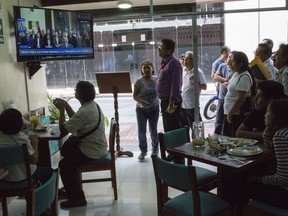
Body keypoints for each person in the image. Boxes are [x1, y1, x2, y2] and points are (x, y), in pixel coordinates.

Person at [53, 81, 108, 208]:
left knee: (64, 164)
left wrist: (61, 110)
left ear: (80, 94)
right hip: (98, 146)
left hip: (92, 150)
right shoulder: (92, 105)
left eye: (76, 90)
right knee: (67, 157)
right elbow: (76, 119)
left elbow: (63, 130)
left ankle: (77, 198)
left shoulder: (86, 110)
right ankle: (71, 190)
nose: (74, 92)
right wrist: (66, 106)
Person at [247, 98, 288, 209]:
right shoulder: (284, 132)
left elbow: (283, 179)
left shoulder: (280, 136)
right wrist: (268, 129)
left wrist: (259, 179)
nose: (265, 115)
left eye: (268, 112)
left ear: (276, 116)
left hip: (285, 195)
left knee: (244, 184)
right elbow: (269, 146)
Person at [0, 108, 52, 185]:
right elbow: (34, 160)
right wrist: (35, 142)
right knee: (49, 171)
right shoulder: (22, 138)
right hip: (27, 176)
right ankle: (37, 193)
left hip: (5, 178)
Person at [133, 61, 159, 160]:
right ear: (142, 70)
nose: (147, 69)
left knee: (153, 130)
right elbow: (135, 95)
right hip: (141, 110)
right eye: (144, 68)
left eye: (149, 67)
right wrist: (141, 101)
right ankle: (143, 151)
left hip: (154, 108)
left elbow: (161, 90)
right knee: (141, 131)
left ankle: (155, 149)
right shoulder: (138, 82)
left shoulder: (157, 80)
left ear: (152, 69)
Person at [223, 51, 253, 137]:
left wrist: (231, 113)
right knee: (227, 137)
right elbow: (229, 86)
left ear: (240, 64)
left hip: (236, 114)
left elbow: (241, 99)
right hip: (230, 112)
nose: (230, 64)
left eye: (232, 62)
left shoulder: (244, 77)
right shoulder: (236, 74)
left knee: (233, 137)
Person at [156, 38, 182, 132]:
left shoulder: (174, 63)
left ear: (169, 51)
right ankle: (170, 147)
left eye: (161, 47)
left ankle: (174, 147)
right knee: (168, 129)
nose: (158, 49)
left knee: (173, 130)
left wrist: (172, 103)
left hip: (170, 102)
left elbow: (176, 84)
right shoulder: (164, 62)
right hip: (165, 101)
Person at [181, 51, 207, 138]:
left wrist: (195, 83)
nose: (185, 60)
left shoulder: (197, 72)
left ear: (193, 60)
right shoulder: (184, 71)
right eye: (185, 58)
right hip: (183, 106)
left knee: (196, 130)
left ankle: (197, 146)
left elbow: (204, 86)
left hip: (192, 106)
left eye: (188, 58)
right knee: (184, 129)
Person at [213, 51, 234, 135]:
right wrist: (224, 80)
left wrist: (223, 82)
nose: (229, 58)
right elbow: (215, 77)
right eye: (229, 57)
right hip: (221, 98)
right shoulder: (222, 66)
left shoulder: (235, 70)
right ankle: (216, 136)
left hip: (230, 100)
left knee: (228, 120)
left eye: (231, 57)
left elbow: (230, 85)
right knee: (219, 119)